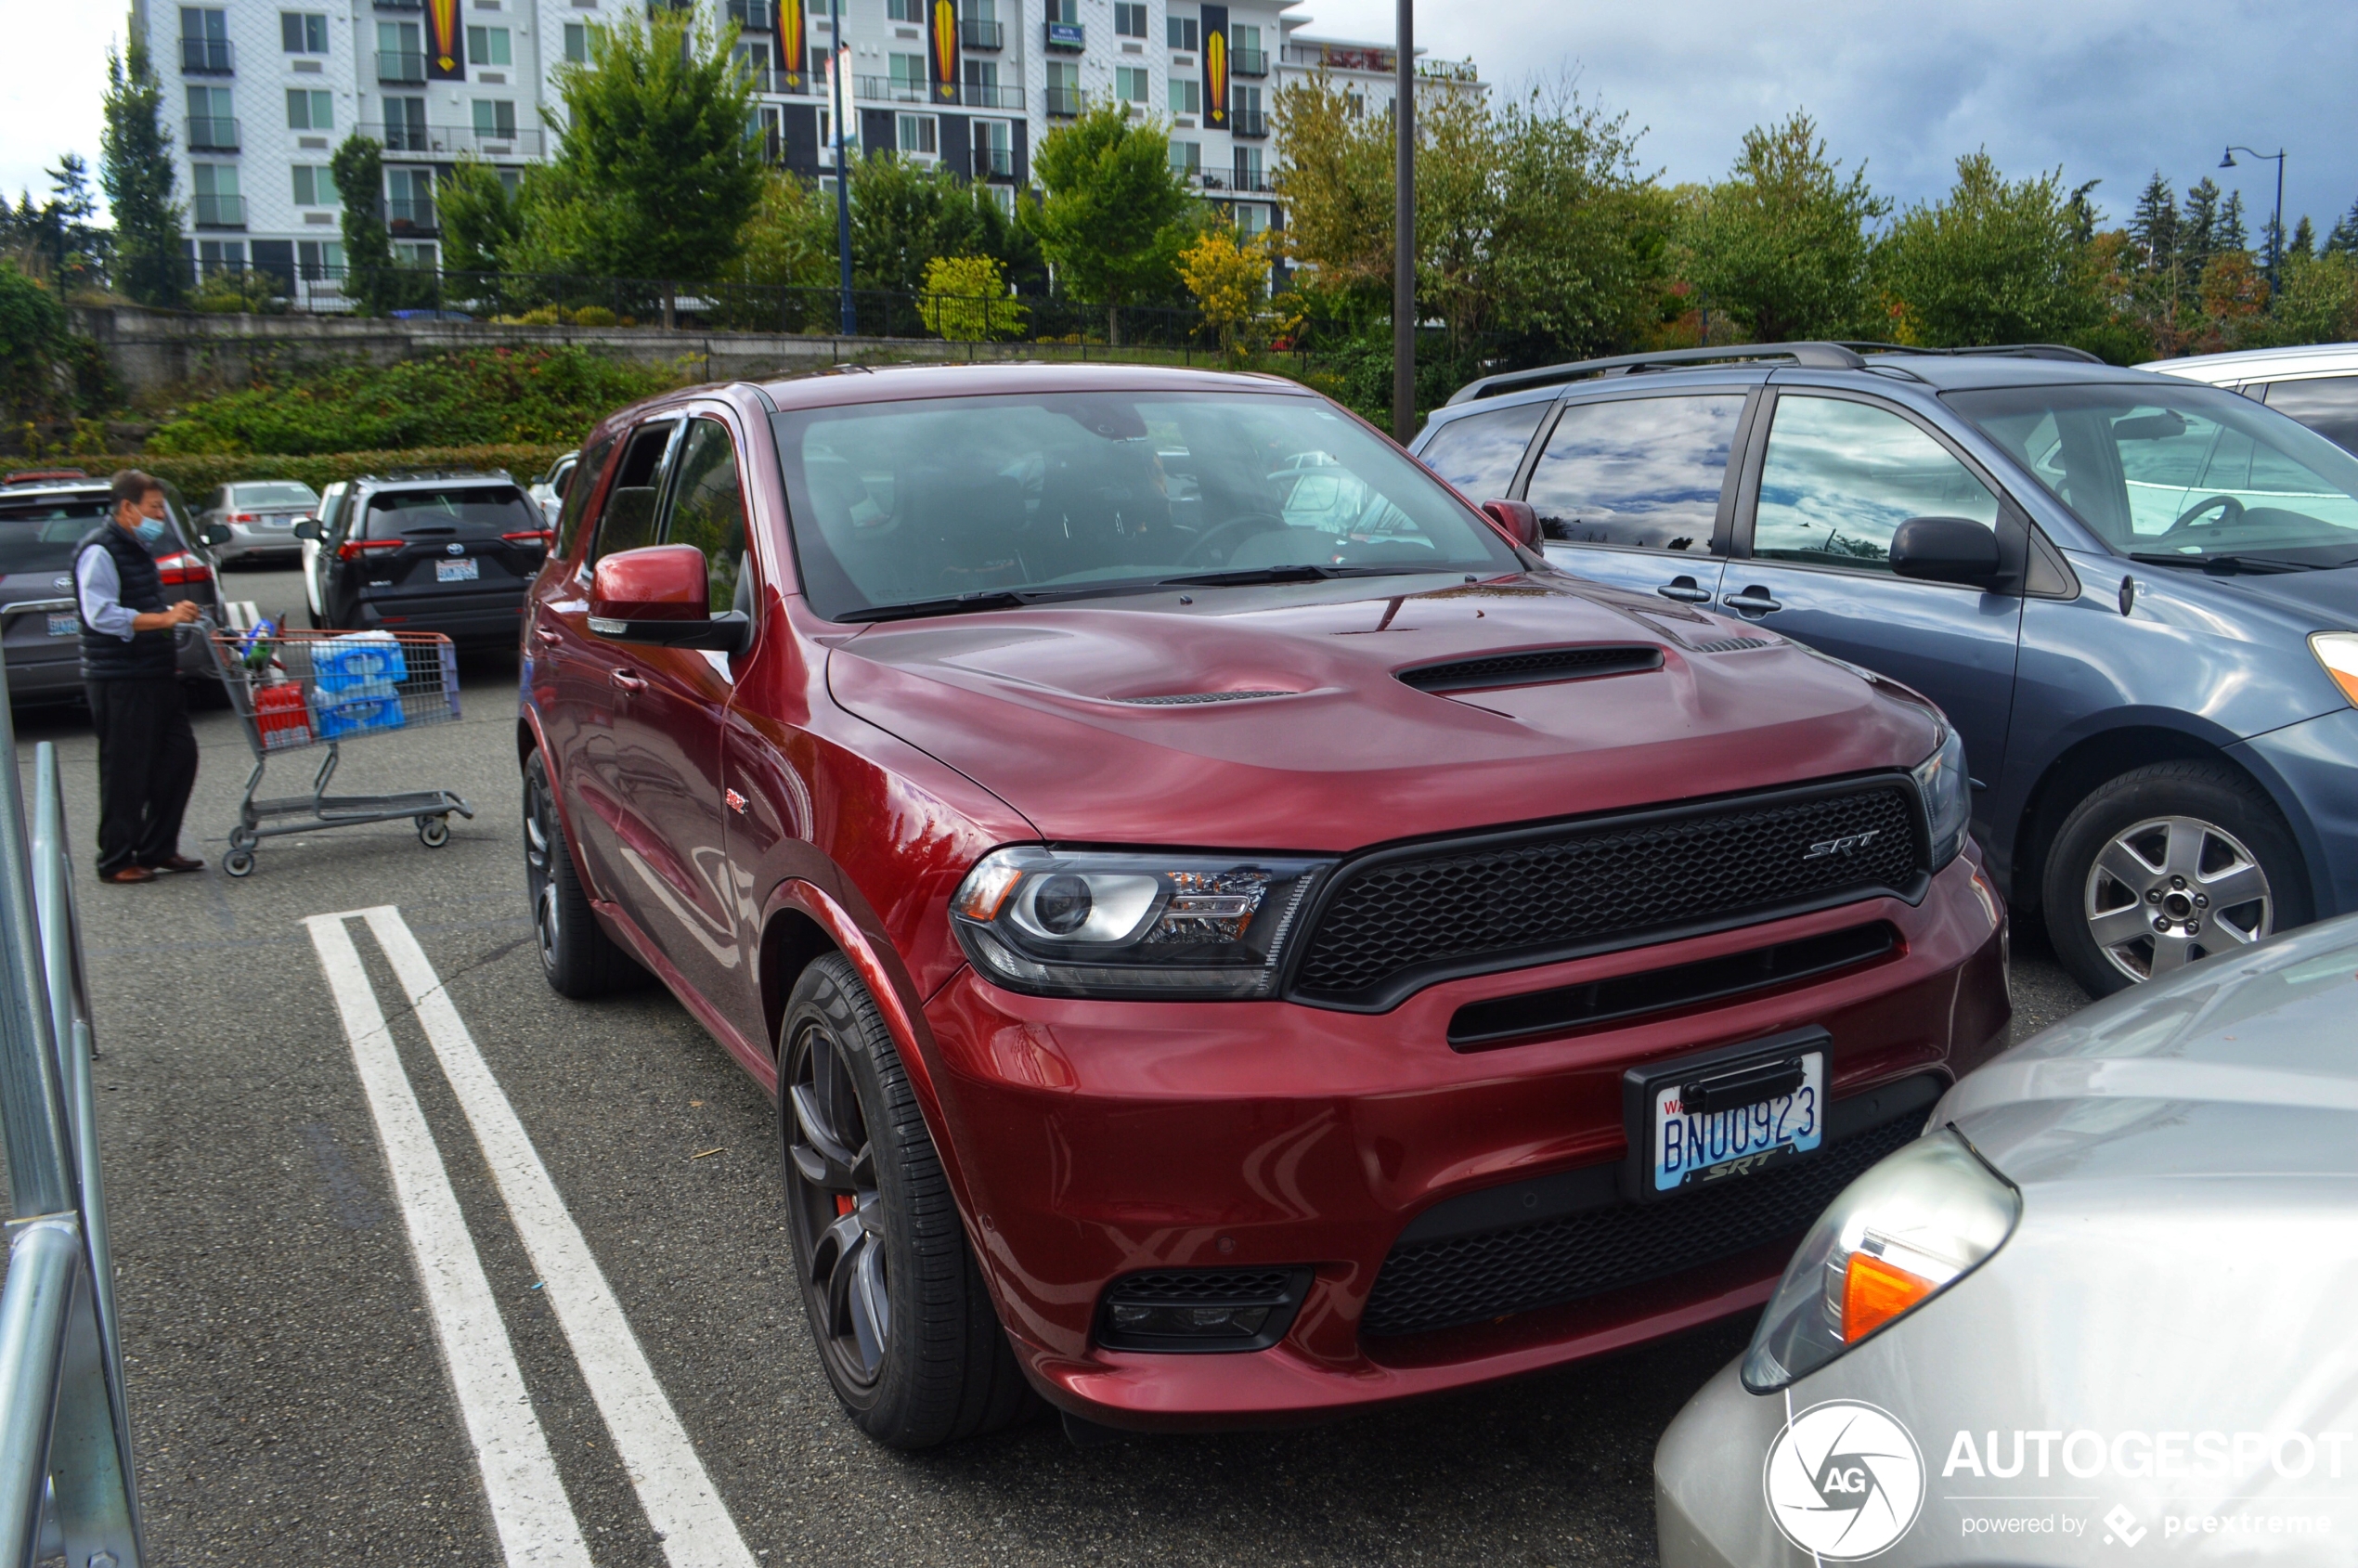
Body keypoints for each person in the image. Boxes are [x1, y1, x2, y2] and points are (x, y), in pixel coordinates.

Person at [78, 470, 203, 885]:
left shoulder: (137, 546)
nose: (160, 517)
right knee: (127, 770)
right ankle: (116, 859)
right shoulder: (100, 550)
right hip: (120, 677)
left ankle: (157, 848)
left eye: (162, 509)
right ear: (128, 508)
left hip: (156, 671)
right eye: (153, 508)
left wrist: (174, 616)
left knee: (179, 758)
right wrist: (163, 617)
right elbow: (101, 614)